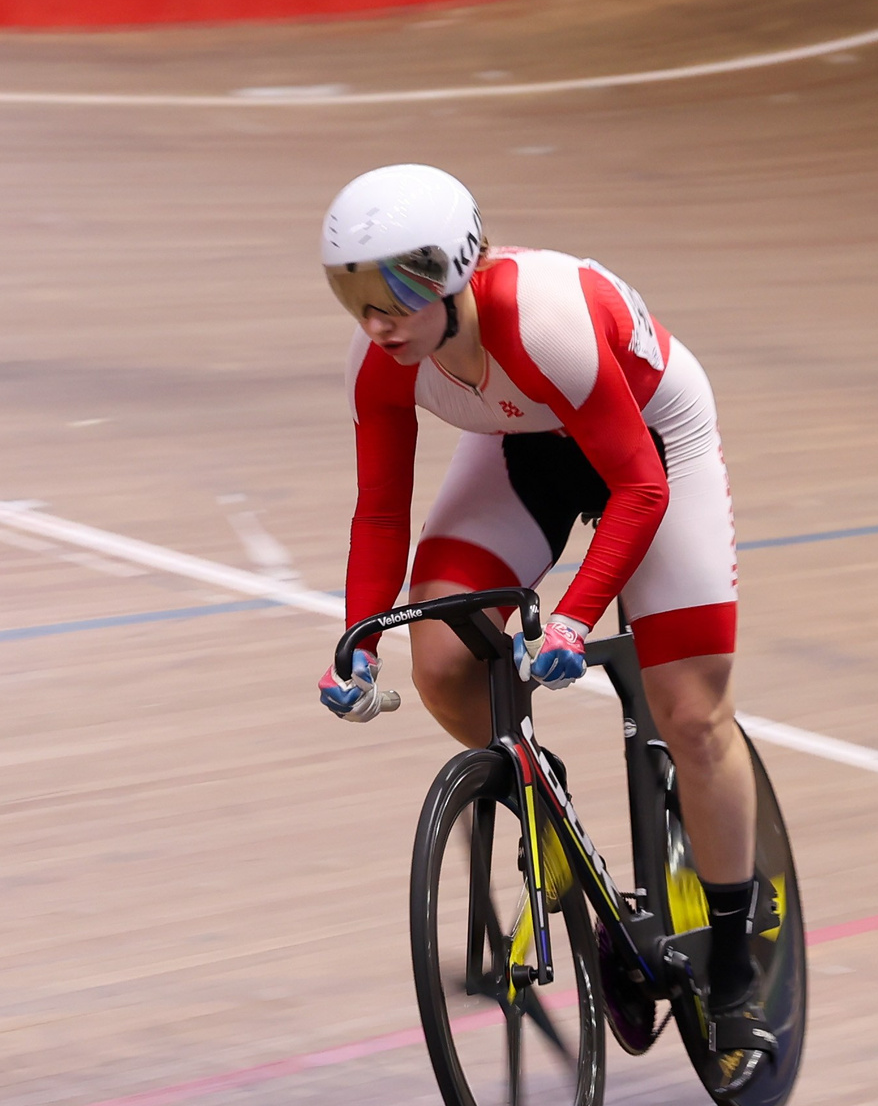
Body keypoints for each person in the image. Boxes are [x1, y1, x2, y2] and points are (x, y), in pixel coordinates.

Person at [312, 164, 773, 1055]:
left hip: (653, 444)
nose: (378, 318)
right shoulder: (378, 366)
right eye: (354, 291)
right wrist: (357, 638)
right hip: (522, 445)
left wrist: (570, 617)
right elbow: (379, 514)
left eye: (401, 287)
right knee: (442, 659)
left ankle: (736, 969)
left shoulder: (543, 321)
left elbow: (638, 487)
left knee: (690, 711)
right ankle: (555, 823)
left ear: (459, 268)